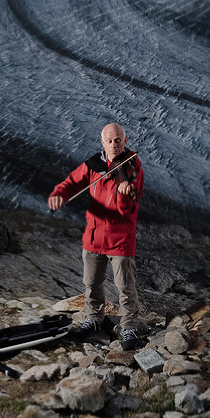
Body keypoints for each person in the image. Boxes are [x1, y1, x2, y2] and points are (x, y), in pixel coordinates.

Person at [48, 122, 146, 350]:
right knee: (91, 283)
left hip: (120, 238)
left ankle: (129, 327)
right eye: (109, 141)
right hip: (94, 236)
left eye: (118, 140)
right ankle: (94, 320)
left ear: (125, 140)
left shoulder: (134, 168)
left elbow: (134, 194)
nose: (114, 145)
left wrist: (126, 191)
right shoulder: (93, 165)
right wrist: (59, 193)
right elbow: (72, 182)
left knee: (125, 285)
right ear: (102, 142)